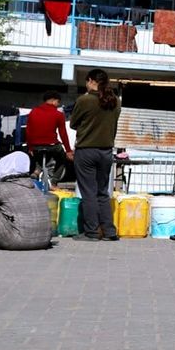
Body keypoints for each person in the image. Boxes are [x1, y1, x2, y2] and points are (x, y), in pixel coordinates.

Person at [69, 69, 122, 242]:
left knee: (89, 192)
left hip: (86, 150)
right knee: (102, 192)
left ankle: (91, 232)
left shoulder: (84, 100)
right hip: (106, 152)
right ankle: (109, 231)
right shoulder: (116, 102)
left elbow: (74, 124)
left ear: (91, 81)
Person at [25, 90, 73, 178]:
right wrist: (68, 150)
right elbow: (63, 134)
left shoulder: (33, 111)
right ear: (53, 100)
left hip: (35, 145)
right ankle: (54, 181)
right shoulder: (58, 114)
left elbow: (28, 131)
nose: (58, 105)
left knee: (39, 155)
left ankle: (37, 171)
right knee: (62, 159)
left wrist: (30, 147)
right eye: (58, 102)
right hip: (51, 145)